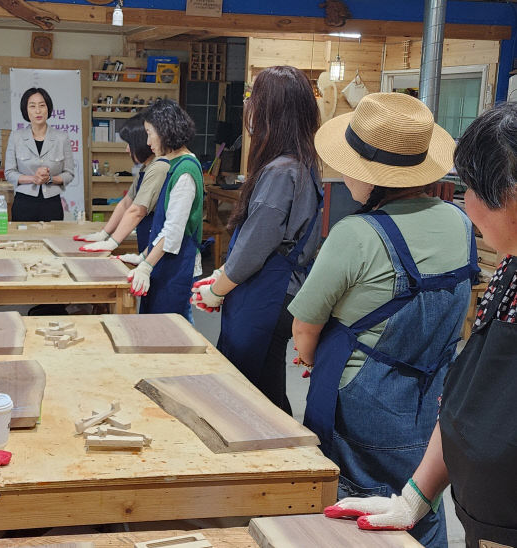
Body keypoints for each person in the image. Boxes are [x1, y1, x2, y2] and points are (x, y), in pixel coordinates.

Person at [288, 93, 479, 547]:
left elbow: (304, 329)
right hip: (435, 396)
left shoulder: (356, 234)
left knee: (354, 513)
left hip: (361, 402)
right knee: (419, 500)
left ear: (372, 176)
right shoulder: (460, 221)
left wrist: (309, 358)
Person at [323, 101, 517, 548]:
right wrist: (416, 495)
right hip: (484, 520)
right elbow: (467, 397)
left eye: (472, 188)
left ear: (510, 196)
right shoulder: (508, 270)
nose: (465, 203)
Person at [190, 66, 322, 414]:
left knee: (243, 395)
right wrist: (221, 275)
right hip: (280, 292)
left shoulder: (280, 172)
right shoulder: (304, 164)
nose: (248, 106)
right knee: (267, 388)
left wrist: (217, 289)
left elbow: (254, 248)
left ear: (271, 111)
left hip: (266, 296)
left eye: (253, 98)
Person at [125, 99, 203, 320]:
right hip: (164, 264)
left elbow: (173, 231)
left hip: (178, 268)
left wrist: (147, 265)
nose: (148, 142)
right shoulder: (172, 164)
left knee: (174, 333)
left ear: (165, 131)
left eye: (150, 133)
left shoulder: (185, 171)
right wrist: (143, 257)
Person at [74, 113, 170, 254]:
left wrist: (112, 243)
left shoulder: (159, 167)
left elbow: (137, 211)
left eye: (130, 144)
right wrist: (104, 234)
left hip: (161, 243)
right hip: (148, 237)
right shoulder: (146, 167)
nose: (126, 149)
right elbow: (126, 203)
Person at [4, 87, 74, 221]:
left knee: (52, 240)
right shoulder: (16, 137)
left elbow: (69, 173)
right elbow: (9, 173)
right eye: (32, 106)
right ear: (26, 110)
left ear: (48, 108)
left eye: (42, 105)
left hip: (52, 204)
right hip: (23, 203)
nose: (38, 111)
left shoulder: (61, 138)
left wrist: (50, 179)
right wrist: (33, 179)